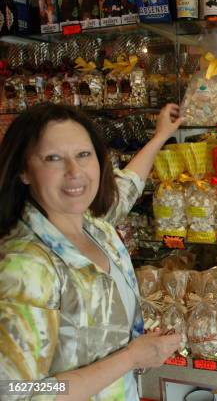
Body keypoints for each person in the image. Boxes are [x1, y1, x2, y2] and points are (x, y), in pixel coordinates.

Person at [0, 103, 185, 400]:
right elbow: (16, 392)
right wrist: (130, 358)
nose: (75, 171)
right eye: (53, 158)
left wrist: (161, 135)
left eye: (83, 155)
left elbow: (127, 186)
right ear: (24, 170)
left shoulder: (92, 226)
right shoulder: (26, 267)